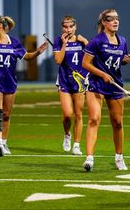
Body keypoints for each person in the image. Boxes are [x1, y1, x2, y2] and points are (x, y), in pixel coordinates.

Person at [0, 15, 48, 156]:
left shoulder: (14, 42)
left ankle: (4, 142)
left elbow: (27, 57)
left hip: (10, 82)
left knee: (7, 115)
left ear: (0, 25)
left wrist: (38, 51)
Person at [82, 9, 130, 171]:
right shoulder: (96, 41)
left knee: (117, 123)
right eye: (111, 19)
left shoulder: (122, 41)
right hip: (96, 84)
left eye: (117, 18)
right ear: (104, 22)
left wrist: (124, 61)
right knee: (94, 119)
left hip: (115, 84)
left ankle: (119, 157)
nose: (115, 21)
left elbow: (116, 62)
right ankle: (89, 158)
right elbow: (85, 64)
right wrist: (102, 74)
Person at [53, 15, 88, 155]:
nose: (68, 29)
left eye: (70, 27)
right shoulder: (58, 41)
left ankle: (77, 145)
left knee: (78, 114)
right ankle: (67, 134)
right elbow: (58, 60)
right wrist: (64, 44)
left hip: (79, 81)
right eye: (65, 27)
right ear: (62, 27)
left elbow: (94, 56)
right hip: (64, 81)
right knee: (68, 114)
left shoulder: (82, 41)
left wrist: (85, 41)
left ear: (75, 27)